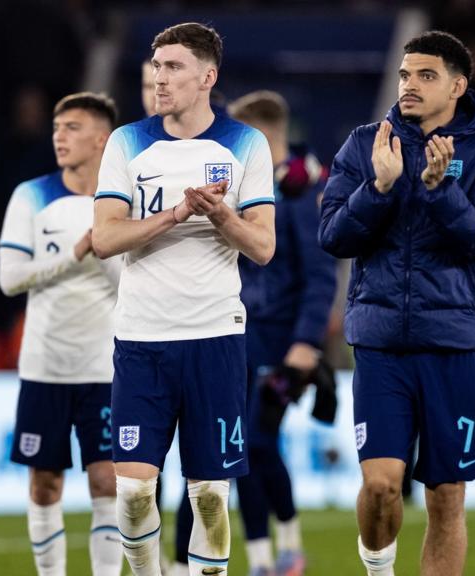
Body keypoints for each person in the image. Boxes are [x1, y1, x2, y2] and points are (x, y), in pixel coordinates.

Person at [318, 31, 475, 575]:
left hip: (454, 346)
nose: (409, 85)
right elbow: (333, 236)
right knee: (381, 485)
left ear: (458, 85)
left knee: (447, 495)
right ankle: (378, 569)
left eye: (425, 76)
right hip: (381, 343)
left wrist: (439, 188)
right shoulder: (366, 144)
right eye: (406, 75)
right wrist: (377, 189)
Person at [93, 22, 276, 576]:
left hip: (215, 338)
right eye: (156, 65)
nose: (160, 77)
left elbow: (263, 246)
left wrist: (221, 216)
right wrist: (175, 214)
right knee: (131, 494)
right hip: (142, 339)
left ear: (207, 77)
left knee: (210, 497)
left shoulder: (246, 144)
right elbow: (104, 238)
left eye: (173, 67)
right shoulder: (126, 141)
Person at [172, 90, 335, 576]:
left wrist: (305, 344)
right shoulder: (242, 190)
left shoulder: (304, 196)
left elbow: (321, 276)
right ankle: (257, 558)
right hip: (230, 337)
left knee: (254, 444)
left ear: (261, 138)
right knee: (223, 449)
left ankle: (286, 546)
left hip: (281, 345)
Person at [0, 91, 123, 576]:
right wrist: (72, 255)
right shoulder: (30, 195)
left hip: (105, 367)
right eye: (56, 128)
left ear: (102, 138)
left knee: (107, 483)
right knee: (45, 485)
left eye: (72, 127)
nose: (59, 136)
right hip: (45, 366)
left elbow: (132, 286)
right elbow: (10, 279)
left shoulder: (123, 202)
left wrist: (105, 251)